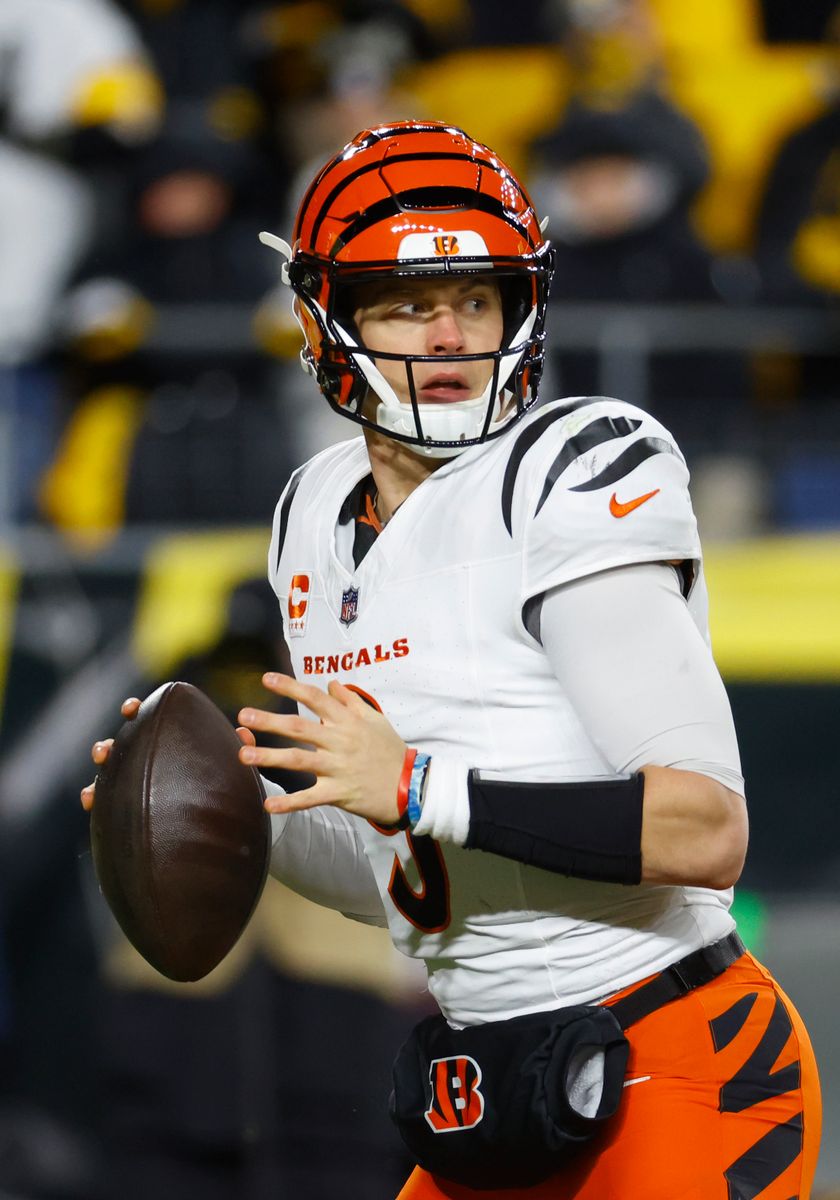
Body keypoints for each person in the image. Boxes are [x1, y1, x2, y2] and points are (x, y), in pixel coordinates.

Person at [83, 121, 821, 1198]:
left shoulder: (569, 469)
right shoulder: (316, 509)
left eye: (475, 301)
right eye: (406, 305)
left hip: (673, 1055)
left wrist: (418, 785)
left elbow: (703, 830)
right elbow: (418, 879)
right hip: (486, 1083)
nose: (448, 337)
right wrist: (231, 820)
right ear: (328, 316)